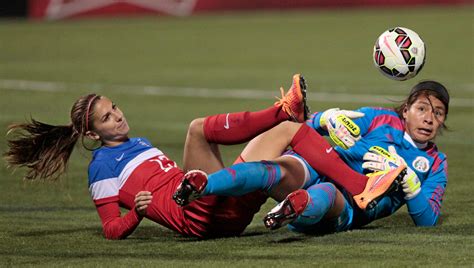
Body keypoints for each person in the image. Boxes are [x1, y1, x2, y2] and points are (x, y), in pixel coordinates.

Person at [5, 74, 397, 240]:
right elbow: (110, 229)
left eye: (116, 107)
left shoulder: (135, 141)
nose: (119, 115)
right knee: (197, 128)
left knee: (291, 133)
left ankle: (359, 187)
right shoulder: (102, 168)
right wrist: (135, 215)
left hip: (209, 199)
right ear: (92, 134)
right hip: (198, 218)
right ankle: (281, 111)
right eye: (108, 117)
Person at [174, 80, 449, 233]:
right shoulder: (381, 119)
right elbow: (311, 126)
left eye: (438, 113)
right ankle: (202, 186)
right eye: (422, 108)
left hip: (350, 206)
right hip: (322, 163)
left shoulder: (436, 164)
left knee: (327, 192)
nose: (429, 118)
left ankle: (294, 207)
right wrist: (328, 119)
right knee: (277, 169)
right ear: (406, 110)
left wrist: (412, 188)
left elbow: (428, 220)